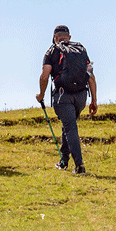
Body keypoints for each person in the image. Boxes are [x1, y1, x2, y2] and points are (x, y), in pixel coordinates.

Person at [36, 25, 98, 174]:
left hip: (63, 96)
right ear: (69, 37)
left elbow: (45, 75)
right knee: (68, 125)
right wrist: (94, 100)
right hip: (81, 96)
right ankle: (64, 161)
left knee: (70, 128)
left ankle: (79, 166)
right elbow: (91, 75)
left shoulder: (51, 51)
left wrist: (41, 95)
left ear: (55, 37)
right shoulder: (80, 50)